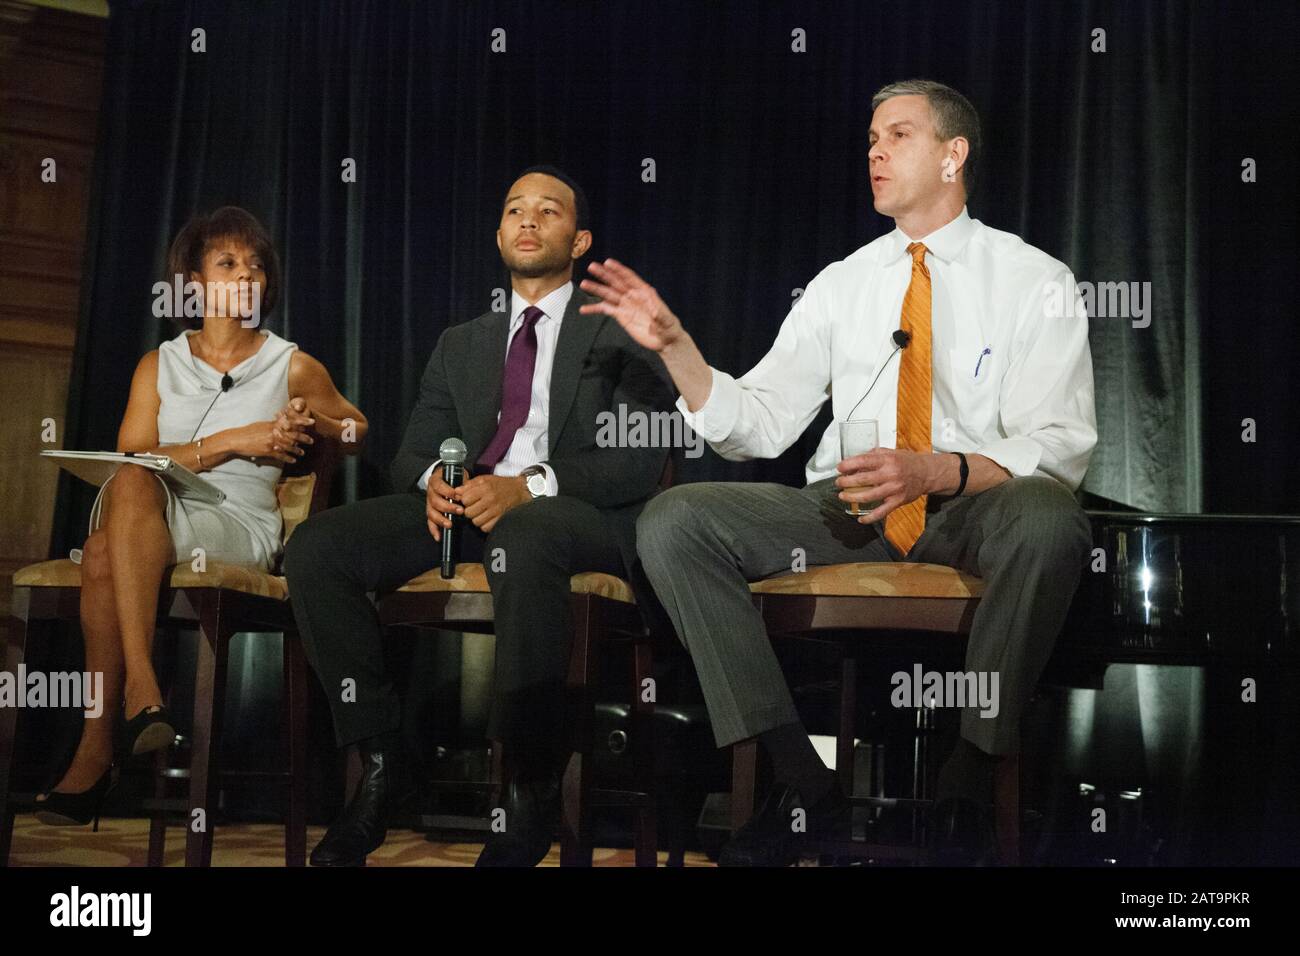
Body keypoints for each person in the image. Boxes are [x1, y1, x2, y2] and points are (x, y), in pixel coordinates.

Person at [580, 79, 1097, 866]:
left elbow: (1061, 444)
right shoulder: (841, 282)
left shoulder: (1036, 280)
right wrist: (676, 347)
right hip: (846, 513)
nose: (875, 152)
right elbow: (758, 424)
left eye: (897, 136)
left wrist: (936, 469)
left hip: (972, 513)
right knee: (676, 520)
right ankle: (801, 779)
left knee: (1052, 517)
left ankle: (971, 773)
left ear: (954, 155)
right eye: (869, 141)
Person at [282, 166, 674, 867]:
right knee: (319, 547)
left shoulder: (620, 333)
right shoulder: (460, 343)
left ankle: (527, 789)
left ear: (578, 238)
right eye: (515, 210)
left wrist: (532, 486)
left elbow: (640, 462)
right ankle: (381, 761)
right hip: (470, 508)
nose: (528, 220)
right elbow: (411, 454)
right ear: (497, 234)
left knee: (524, 533)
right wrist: (437, 481)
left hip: (579, 518)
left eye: (548, 211)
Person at [33, 206, 367, 830]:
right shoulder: (158, 365)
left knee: (109, 541)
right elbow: (128, 459)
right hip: (156, 512)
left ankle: (108, 730)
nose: (248, 274)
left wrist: (308, 422)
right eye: (228, 262)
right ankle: (139, 693)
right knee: (122, 507)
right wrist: (234, 439)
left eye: (257, 265)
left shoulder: (289, 362)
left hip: (237, 524)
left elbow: (356, 431)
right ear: (192, 281)